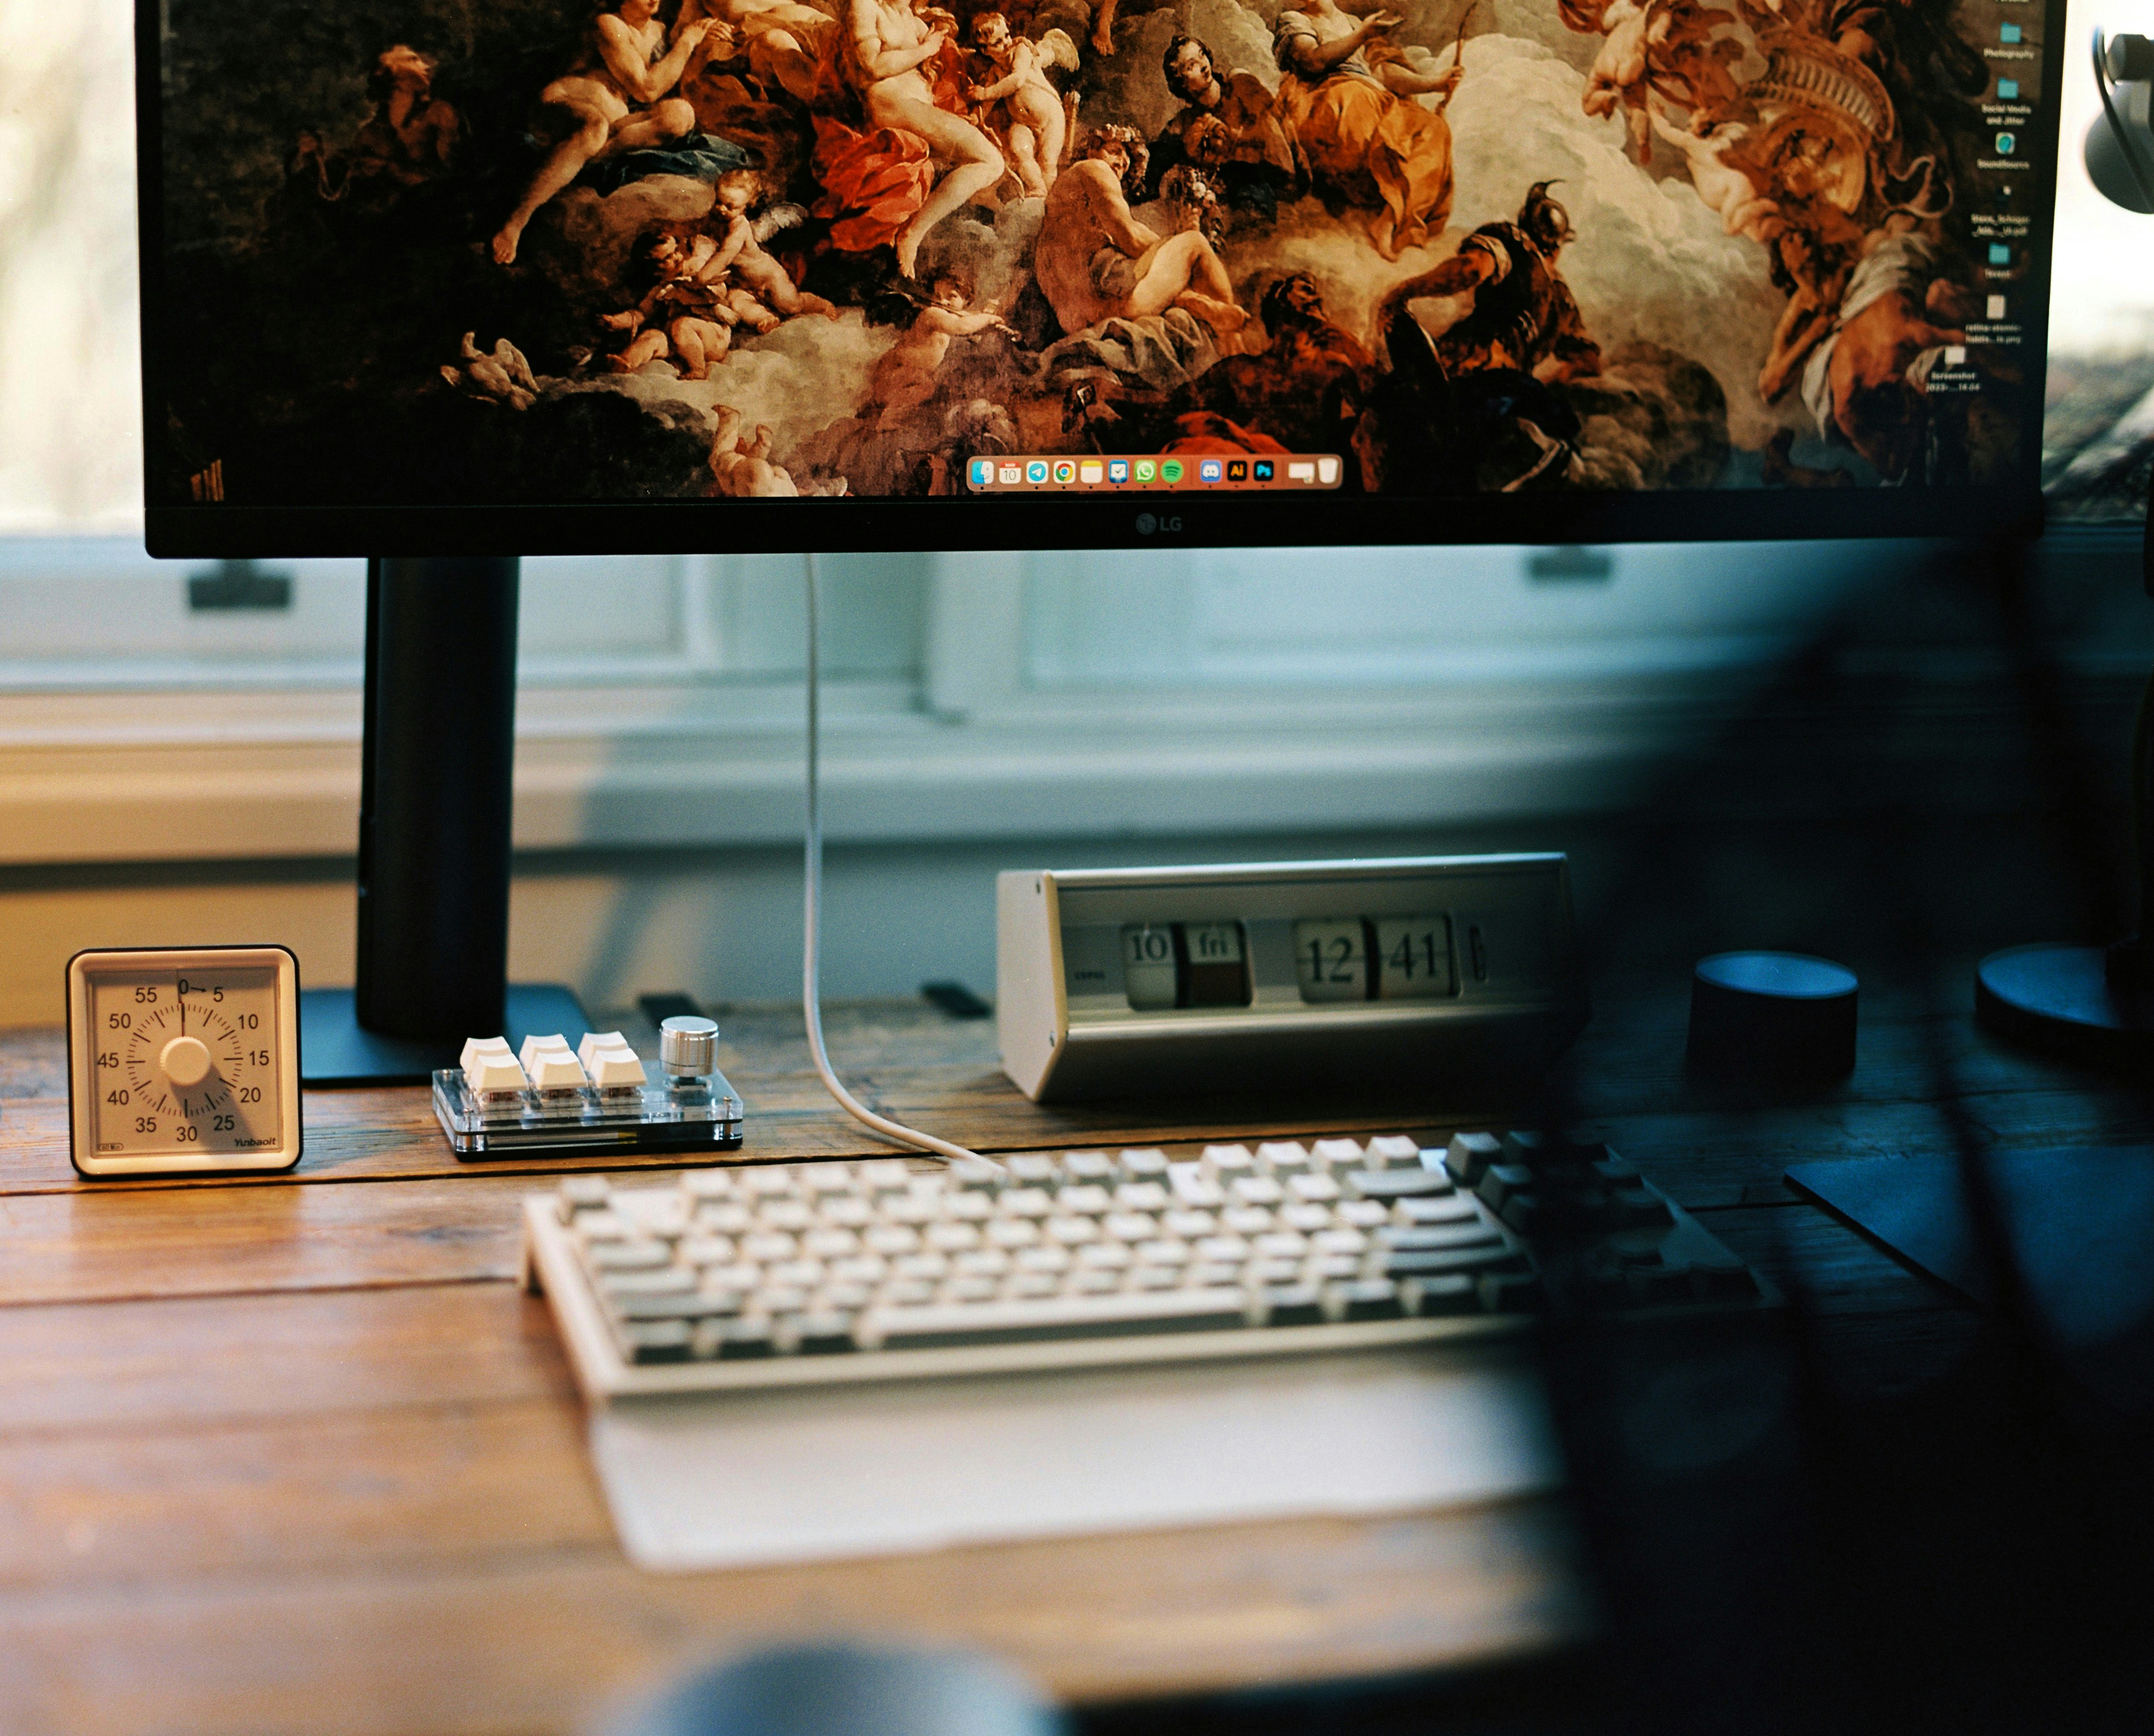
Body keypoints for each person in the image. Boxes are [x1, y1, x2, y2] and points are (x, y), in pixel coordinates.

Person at [491, 0, 717, 264]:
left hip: (615, 117)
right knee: (595, 128)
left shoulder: (659, 30)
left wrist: (701, 45)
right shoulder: (609, 24)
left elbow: (671, 80)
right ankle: (516, 222)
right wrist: (688, 42)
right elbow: (646, 90)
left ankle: (579, 163)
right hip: (566, 103)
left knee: (680, 116)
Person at [1270, 0, 1460, 260]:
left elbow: (1382, 73)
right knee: (1356, 97)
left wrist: (1434, 84)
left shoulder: (1354, 23)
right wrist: (1362, 36)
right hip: (1324, 98)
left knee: (1434, 128)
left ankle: (1388, 218)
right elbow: (1313, 61)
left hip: (1372, 96)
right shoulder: (1295, 20)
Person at [1375, 180, 1600, 382]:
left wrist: (1405, 290)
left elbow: (1471, 269)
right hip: (1510, 392)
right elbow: (1589, 363)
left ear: (1524, 221)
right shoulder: (1563, 300)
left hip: (1466, 364)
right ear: (1558, 246)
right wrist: (1546, 384)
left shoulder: (1513, 242)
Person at [1032, 125, 1244, 337]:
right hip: (1111, 303)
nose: (1123, 162)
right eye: (1114, 151)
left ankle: (1201, 305)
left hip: (1078, 318)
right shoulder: (1092, 168)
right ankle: (1233, 338)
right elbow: (1130, 236)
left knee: (1180, 284)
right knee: (1195, 242)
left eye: (1127, 160)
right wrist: (1174, 248)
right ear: (1092, 150)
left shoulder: (1067, 205)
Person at [844, 0, 1005, 276]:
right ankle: (912, 235)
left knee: (994, 163)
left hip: (915, 105)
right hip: (889, 102)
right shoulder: (864, 6)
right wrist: (926, 49)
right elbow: (872, 66)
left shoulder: (910, 15)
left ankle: (918, 234)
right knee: (990, 161)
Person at [1147, 35, 1297, 218]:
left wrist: (1233, 142)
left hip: (1272, 175)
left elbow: (1275, 133)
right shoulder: (1187, 121)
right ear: (1182, 83)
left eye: (1202, 55)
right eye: (1191, 66)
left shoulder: (1239, 84)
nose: (1203, 65)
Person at [694, 169, 843, 321]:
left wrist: (702, 277)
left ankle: (820, 305)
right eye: (719, 202)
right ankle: (766, 320)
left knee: (792, 306)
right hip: (744, 283)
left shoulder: (740, 228)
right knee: (737, 303)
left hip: (770, 277)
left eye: (730, 206)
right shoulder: (716, 221)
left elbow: (725, 255)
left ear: (745, 207)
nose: (722, 209)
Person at [868, 277, 1016, 426]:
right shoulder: (932, 314)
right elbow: (962, 327)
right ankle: (888, 419)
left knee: (926, 387)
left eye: (951, 296)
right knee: (925, 386)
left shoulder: (956, 317)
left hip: (905, 379)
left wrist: (989, 321)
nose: (943, 302)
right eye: (937, 296)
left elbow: (973, 329)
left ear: (967, 300)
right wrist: (988, 318)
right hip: (893, 373)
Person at [967, 13, 1078, 198]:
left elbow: (1017, 80)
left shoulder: (1021, 51)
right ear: (985, 51)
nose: (1006, 43)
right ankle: (1038, 189)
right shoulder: (995, 72)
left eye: (1007, 35)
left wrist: (986, 92)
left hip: (1051, 117)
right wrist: (978, 116)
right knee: (1019, 150)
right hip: (1023, 123)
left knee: (1048, 161)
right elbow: (989, 103)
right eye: (998, 42)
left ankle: (1047, 199)